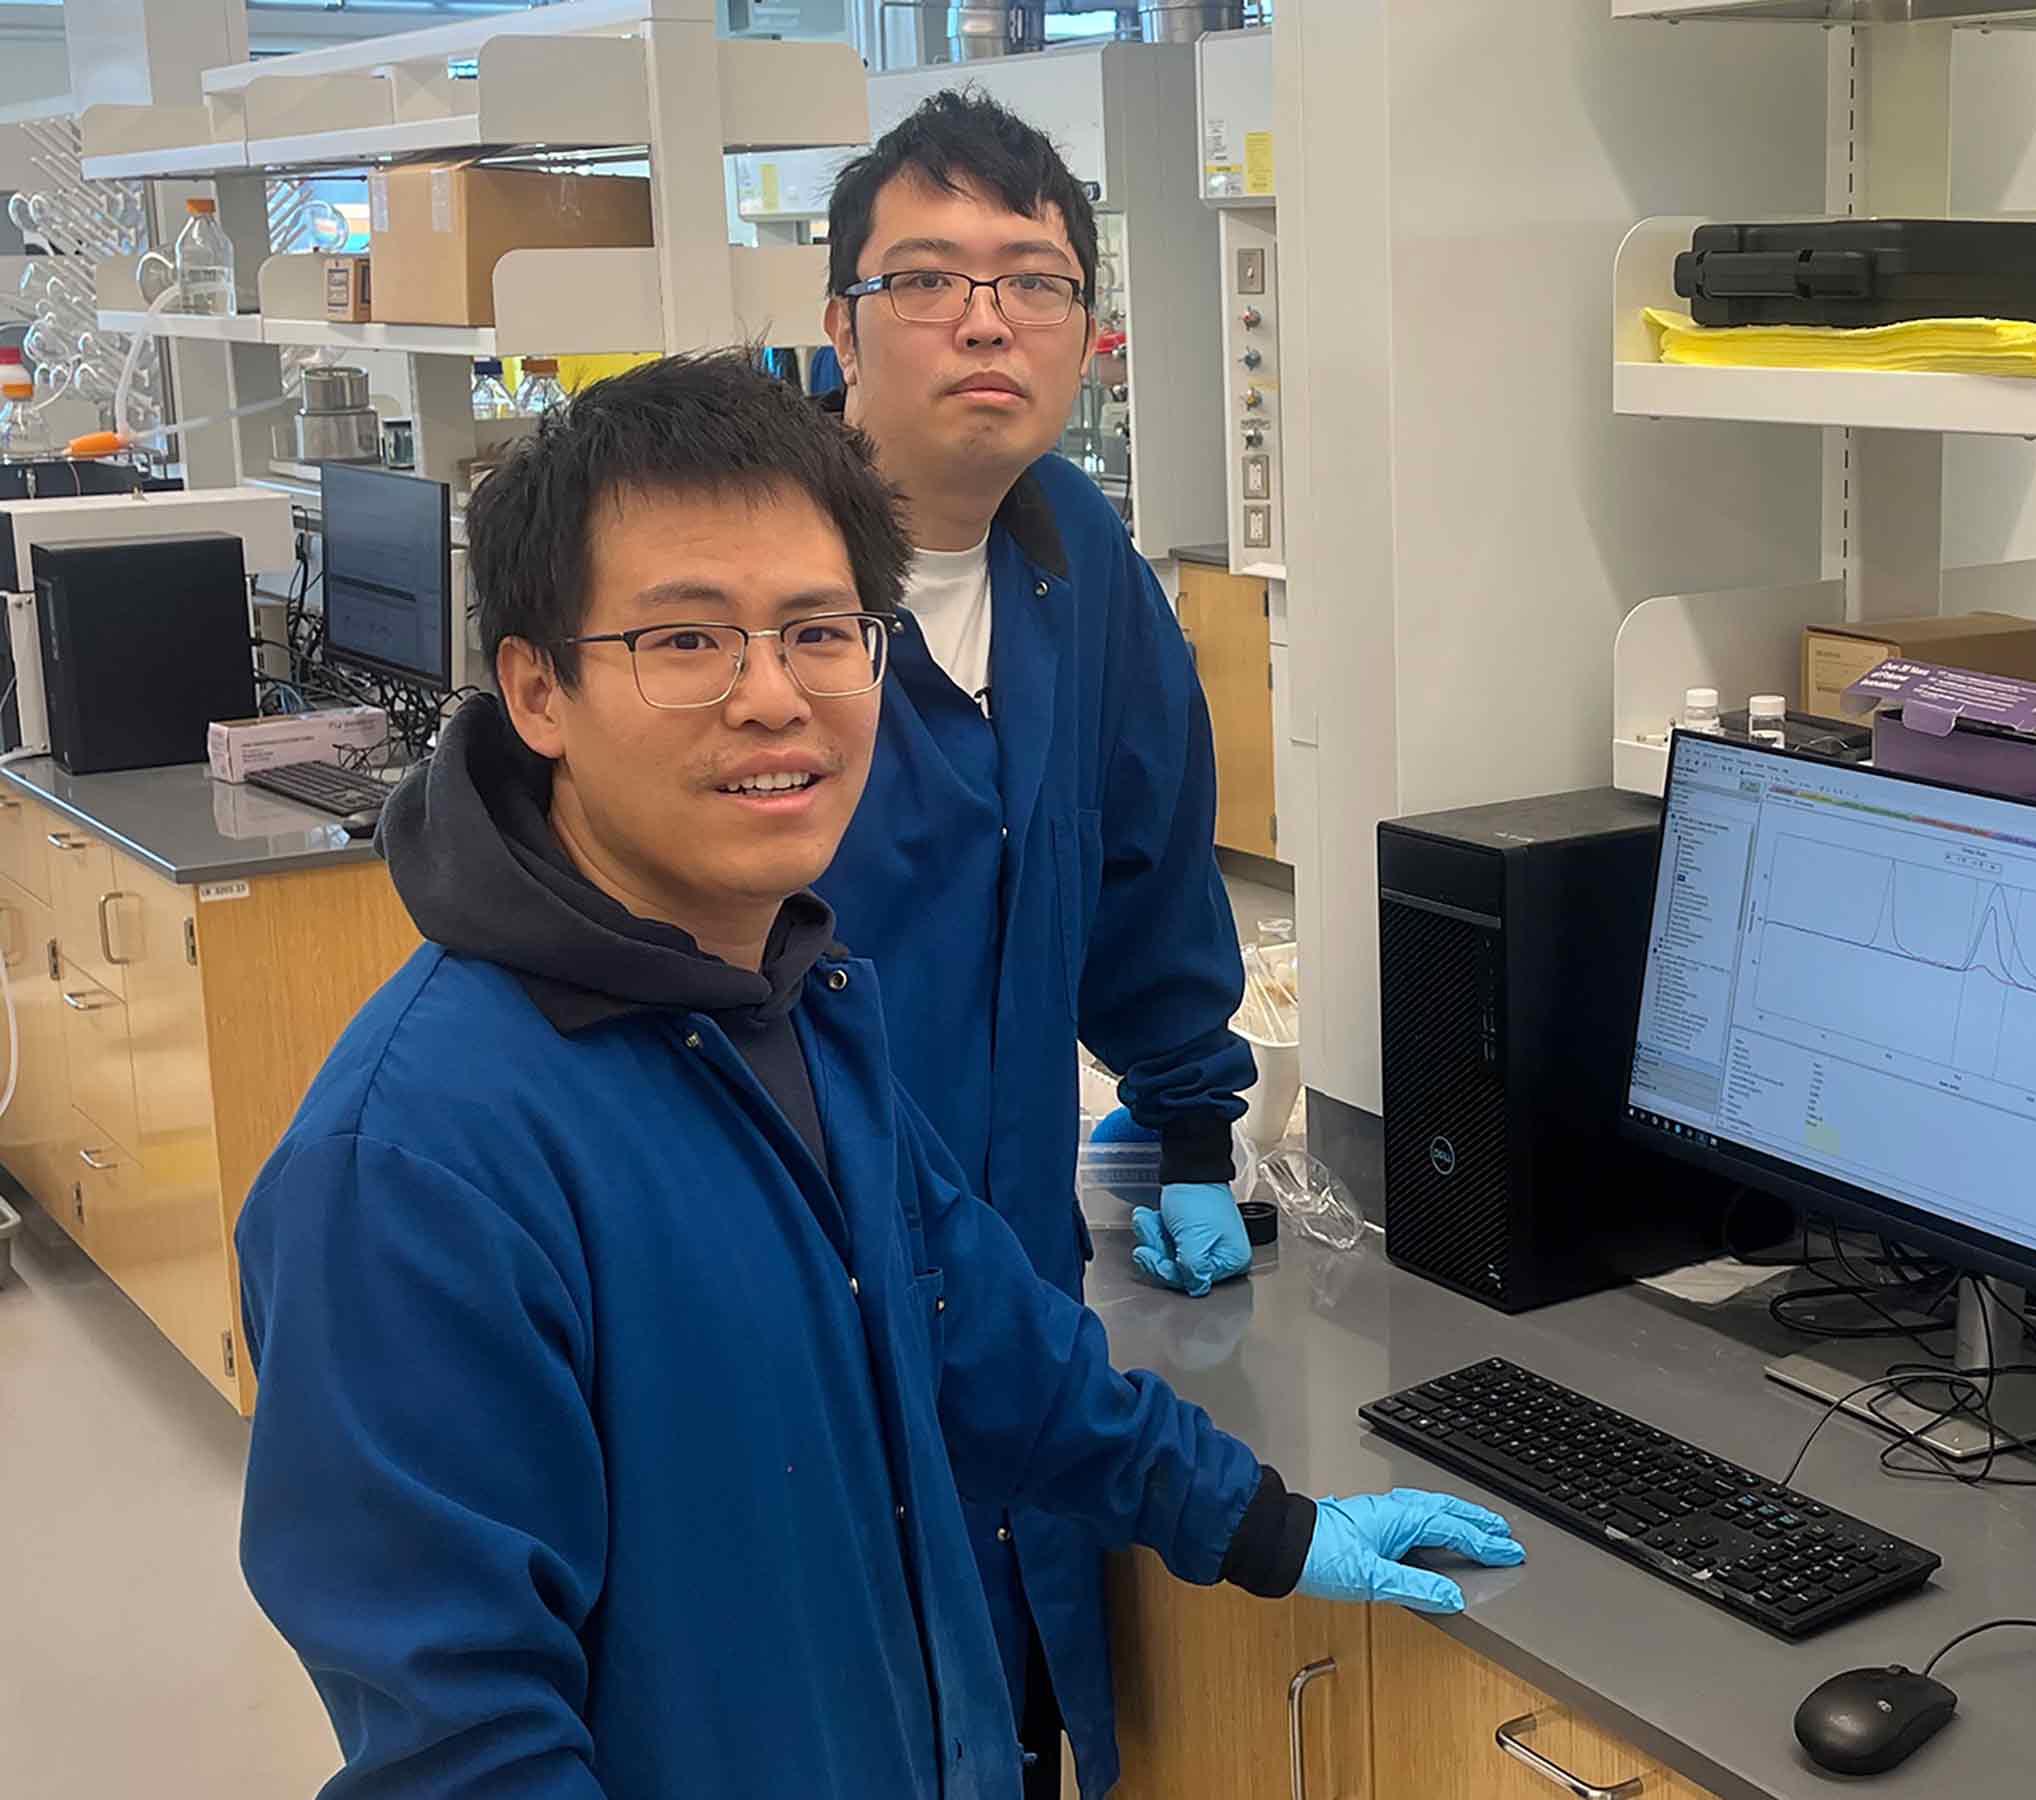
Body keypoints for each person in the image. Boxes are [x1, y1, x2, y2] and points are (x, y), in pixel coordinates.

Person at [233, 351, 1523, 1800]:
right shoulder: (412, 1165)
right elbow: (464, 1751)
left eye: (818, 631)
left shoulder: (801, 1001)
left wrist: (1266, 1525)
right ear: (537, 689)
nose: (772, 698)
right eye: (685, 640)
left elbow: (991, 1344)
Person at [814, 91, 1263, 1797]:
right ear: (842, 321)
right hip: (803, 1292)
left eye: (1035, 280)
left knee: (1005, 1702)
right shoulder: (761, 600)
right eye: (930, 278)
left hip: (1012, 1276)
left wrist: (1193, 1129)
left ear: (1087, 330)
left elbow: (1148, 870)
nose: (988, 320)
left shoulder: (1075, 561)